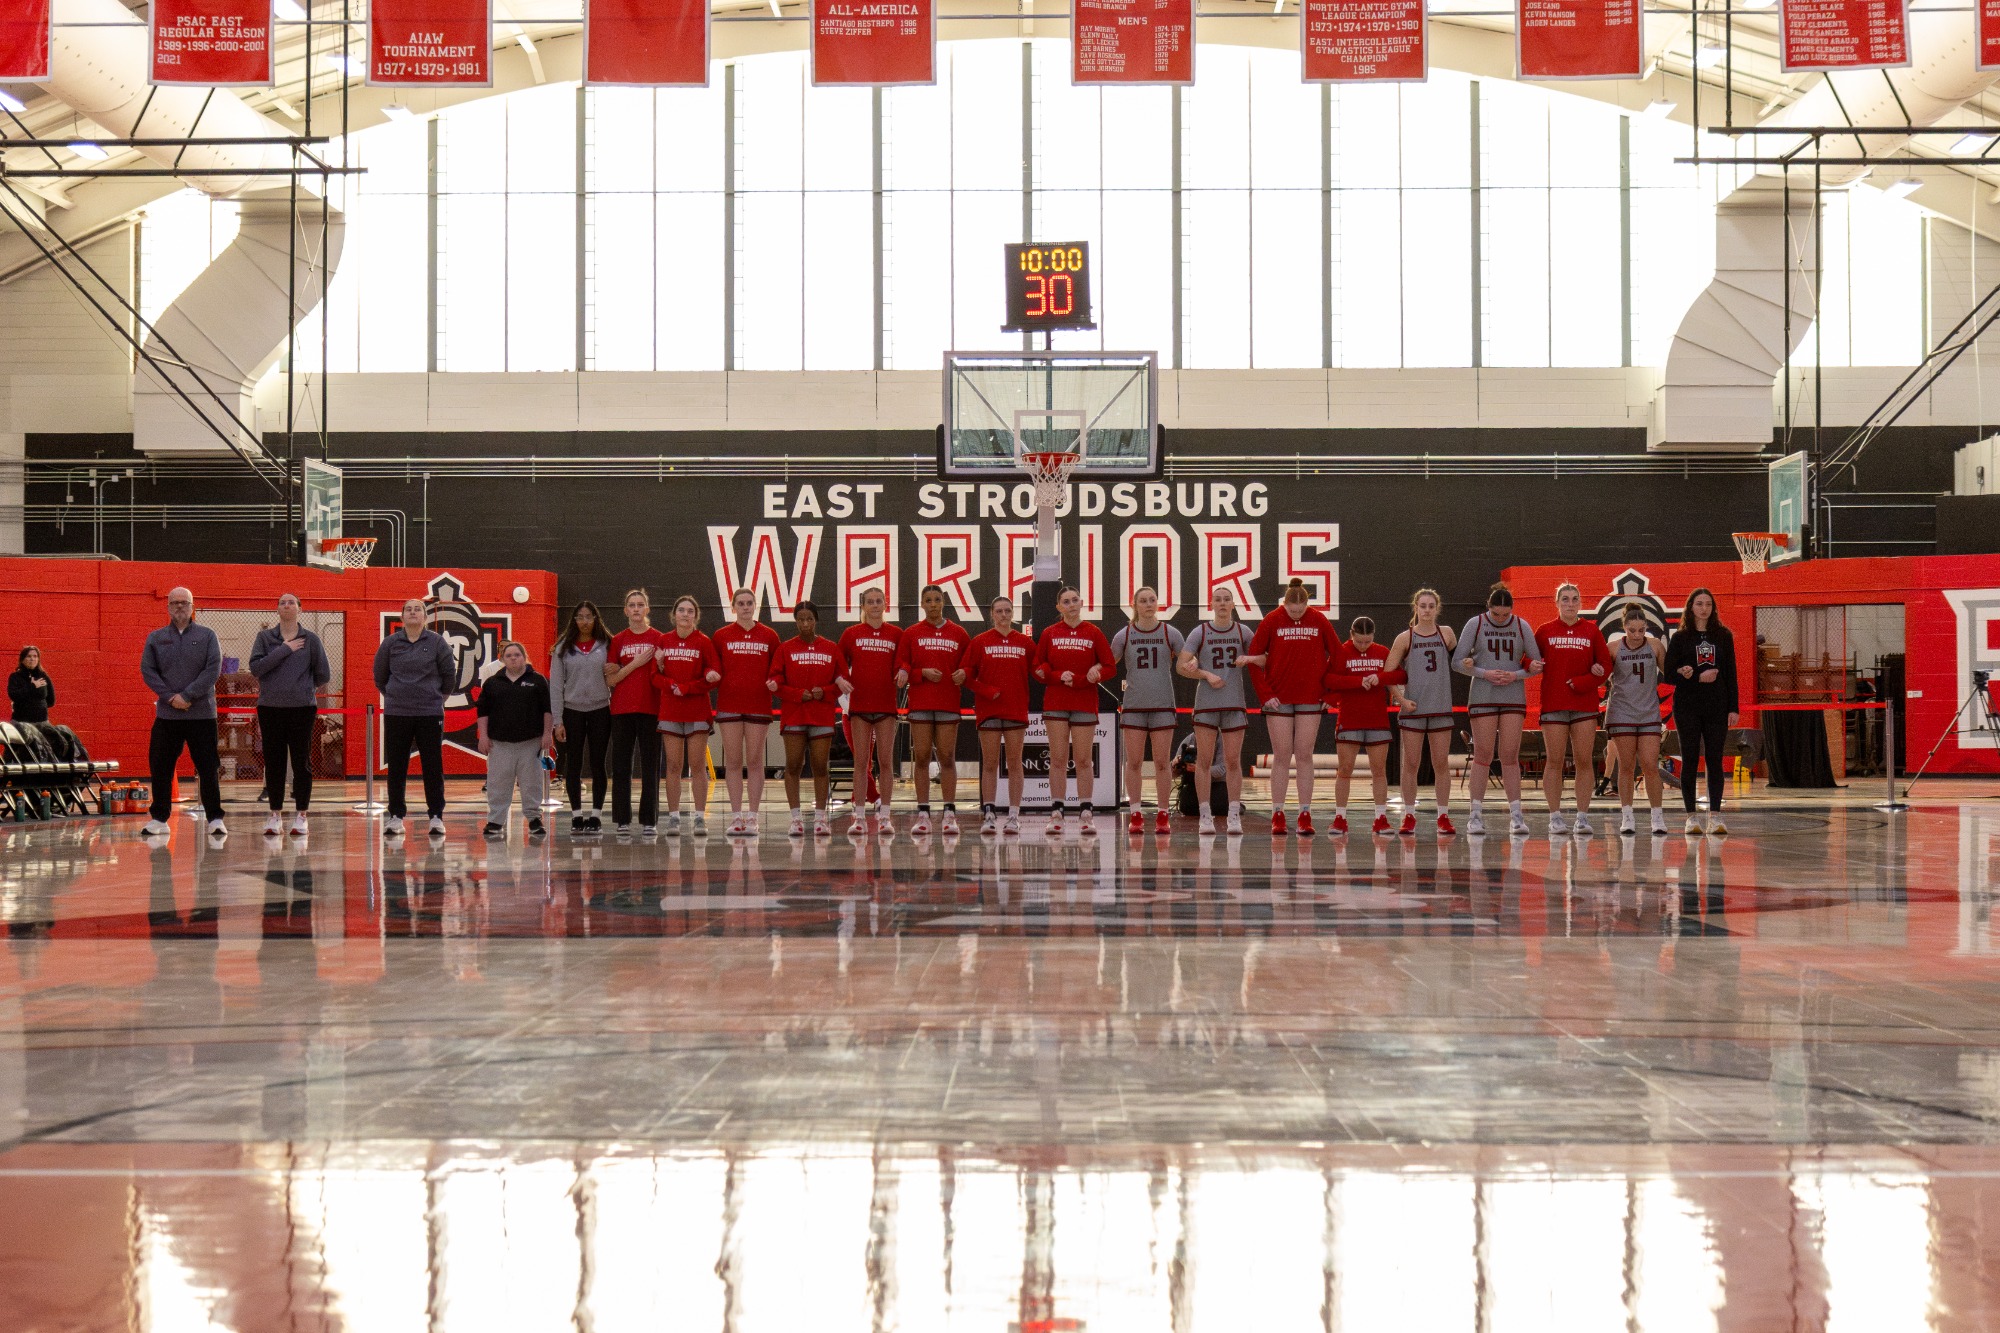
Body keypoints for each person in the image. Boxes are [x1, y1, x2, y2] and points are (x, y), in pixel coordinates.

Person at [1245, 579, 1338, 835]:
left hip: (1311, 697)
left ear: (1307, 604)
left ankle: (1305, 814)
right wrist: (1264, 695)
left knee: (1305, 754)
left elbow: (1339, 657)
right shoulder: (1271, 620)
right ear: (1284, 604)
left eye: (1300, 610)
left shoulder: (1318, 620)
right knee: (1282, 755)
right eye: (1292, 610)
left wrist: (1332, 693)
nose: (1296, 614)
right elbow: (1253, 659)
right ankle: (1277, 813)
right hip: (1279, 697)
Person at [1455, 583, 1543, 837]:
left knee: (1510, 755)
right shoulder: (1476, 624)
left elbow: (1537, 664)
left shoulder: (1521, 625)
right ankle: (1475, 815)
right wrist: (1483, 672)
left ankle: (1516, 816)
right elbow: (1457, 662)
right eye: (1497, 614)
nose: (1501, 619)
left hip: (1513, 695)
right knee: (1483, 753)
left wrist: (1514, 676)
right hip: (1483, 694)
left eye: (1506, 614)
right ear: (1488, 608)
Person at [139, 586, 225, 839]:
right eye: (174, 603)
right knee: (161, 767)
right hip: (168, 716)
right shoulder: (155, 638)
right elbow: (148, 671)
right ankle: (159, 819)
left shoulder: (208, 636)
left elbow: (213, 669)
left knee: (208, 767)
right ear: (167, 607)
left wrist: (187, 696)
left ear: (192, 606)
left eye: (184, 602)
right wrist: (169, 698)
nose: (179, 607)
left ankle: (215, 819)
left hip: (202, 716)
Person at [247, 593, 331, 837]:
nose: (286, 605)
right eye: (282, 602)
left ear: (300, 609)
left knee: (301, 761)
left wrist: (303, 689)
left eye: (291, 602)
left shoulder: (311, 639)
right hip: (270, 708)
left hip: (302, 708)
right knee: (274, 762)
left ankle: (302, 815)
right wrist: (284, 649)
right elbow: (257, 668)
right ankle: (275, 815)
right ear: (277, 609)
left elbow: (323, 674)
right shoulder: (265, 638)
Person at [1536, 583, 1615, 838]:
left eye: (1574, 599)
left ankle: (1582, 818)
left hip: (1583, 706)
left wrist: (1584, 682)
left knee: (1584, 761)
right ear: (1557, 603)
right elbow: (1528, 659)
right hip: (1554, 705)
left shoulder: (1591, 632)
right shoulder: (1544, 631)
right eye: (1565, 599)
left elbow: (1605, 666)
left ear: (1580, 603)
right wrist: (1529, 664)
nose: (1570, 603)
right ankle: (1555, 817)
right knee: (1555, 761)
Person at [1034, 587, 1116, 835]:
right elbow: (1037, 667)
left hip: (1084, 701)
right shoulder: (1049, 633)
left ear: (1081, 603)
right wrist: (1058, 675)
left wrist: (1094, 674)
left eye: (1074, 600)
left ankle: (1086, 811)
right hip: (1056, 702)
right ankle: (1057, 811)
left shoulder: (1093, 632)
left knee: (1082, 760)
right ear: (1059, 607)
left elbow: (1110, 666)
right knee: (1058, 759)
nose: (1071, 604)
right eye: (1065, 601)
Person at [373, 597, 456, 838]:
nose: (412, 612)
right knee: (397, 766)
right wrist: (396, 696)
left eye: (417, 609)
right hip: (397, 712)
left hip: (429, 713)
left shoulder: (437, 643)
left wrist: (436, 698)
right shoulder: (390, 643)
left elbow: (448, 675)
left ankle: (436, 817)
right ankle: (396, 816)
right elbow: (380, 676)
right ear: (401, 616)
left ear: (425, 616)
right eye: (408, 609)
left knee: (432, 765)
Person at [768, 600, 850, 838]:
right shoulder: (785, 649)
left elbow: (842, 681)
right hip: (794, 714)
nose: (805, 623)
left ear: (816, 620)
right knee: (793, 765)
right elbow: (775, 682)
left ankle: (821, 818)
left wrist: (824, 692)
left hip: (821, 716)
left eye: (809, 619)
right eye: (800, 619)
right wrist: (796, 694)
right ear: (795, 621)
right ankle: (795, 819)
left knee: (820, 766)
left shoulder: (830, 648)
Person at [895, 585, 971, 836]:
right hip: (921, 704)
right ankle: (923, 812)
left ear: (943, 602)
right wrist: (921, 673)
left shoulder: (958, 633)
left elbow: (969, 666)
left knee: (947, 757)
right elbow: (902, 667)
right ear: (922, 604)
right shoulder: (911, 633)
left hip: (948, 703)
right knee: (923, 757)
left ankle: (950, 812)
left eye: (937, 599)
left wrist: (964, 673)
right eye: (928, 600)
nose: (933, 604)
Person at [1178, 586, 1253, 835]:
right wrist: (1204, 673)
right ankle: (1205, 815)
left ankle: (1233, 815)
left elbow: (1263, 657)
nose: (1222, 603)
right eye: (1218, 599)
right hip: (1207, 702)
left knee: (1232, 761)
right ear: (1211, 604)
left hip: (1234, 702)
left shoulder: (1243, 631)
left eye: (1226, 599)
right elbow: (1181, 666)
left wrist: (1250, 659)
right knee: (1204, 760)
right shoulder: (1200, 631)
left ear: (1233, 604)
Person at [1382, 588, 1458, 837]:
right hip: (1413, 710)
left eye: (1431, 606)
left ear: (1437, 608)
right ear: (1416, 607)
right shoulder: (1405, 638)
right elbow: (1387, 674)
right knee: (1411, 764)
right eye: (1422, 605)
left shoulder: (1446, 634)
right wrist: (1401, 700)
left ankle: (1443, 816)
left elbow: (1461, 662)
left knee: (1441, 764)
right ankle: (1408, 815)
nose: (1427, 610)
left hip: (1440, 709)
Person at [1665, 586, 1740, 836]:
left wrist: (1734, 707)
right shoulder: (1680, 638)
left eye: (1708, 603)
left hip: (1717, 706)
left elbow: (1730, 673)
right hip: (1687, 706)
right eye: (1699, 603)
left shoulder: (1723, 635)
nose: (1704, 608)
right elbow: (1669, 673)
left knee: (1715, 759)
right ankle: (1691, 817)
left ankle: (1716, 816)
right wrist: (1690, 674)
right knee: (1690, 759)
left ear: (1713, 607)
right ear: (1691, 607)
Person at [1111, 587, 1185, 837]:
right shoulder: (1124, 634)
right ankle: (1135, 814)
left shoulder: (1170, 632)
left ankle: (1163, 814)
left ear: (1158, 603)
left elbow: (1188, 661)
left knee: (1162, 763)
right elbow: (1108, 664)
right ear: (1135, 605)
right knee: (1133, 763)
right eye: (1143, 601)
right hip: (1134, 705)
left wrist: (1199, 667)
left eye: (1152, 599)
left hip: (1163, 704)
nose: (1149, 604)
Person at [1325, 616, 1405, 836]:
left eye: (1367, 641)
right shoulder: (1341, 652)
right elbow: (1329, 680)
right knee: (1345, 770)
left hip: (1376, 719)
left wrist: (1380, 677)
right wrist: (1358, 681)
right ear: (1351, 635)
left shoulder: (1382, 652)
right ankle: (1340, 818)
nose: (1363, 645)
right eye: (1359, 641)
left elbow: (1401, 675)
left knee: (1379, 771)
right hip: (1349, 719)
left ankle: (1381, 818)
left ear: (1373, 637)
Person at [713, 588, 781, 837]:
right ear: (733, 607)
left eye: (749, 603)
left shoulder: (769, 636)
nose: (745, 607)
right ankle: (735, 817)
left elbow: (778, 668)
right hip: (729, 705)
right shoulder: (721, 636)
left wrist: (775, 680)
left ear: (755, 606)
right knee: (732, 761)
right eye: (740, 603)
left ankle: (753, 817)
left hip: (758, 706)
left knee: (754, 761)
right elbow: (712, 666)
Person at [966, 595, 1034, 836]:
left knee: (1015, 763)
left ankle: (1014, 815)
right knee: (990, 764)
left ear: (1012, 613)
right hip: (989, 711)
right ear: (992, 614)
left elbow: (1039, 669)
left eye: (1008, 610)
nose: (1004, 615)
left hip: (1015, 710)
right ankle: (989, 813)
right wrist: (986, 690)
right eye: (999, 611)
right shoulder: (979, 642)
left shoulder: (1024, 643)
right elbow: (966, 675)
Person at [654, 593, 721, 836]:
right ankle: (673, 818)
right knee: (673, 765)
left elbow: (713, 675)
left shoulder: (703, 642)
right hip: (671, 710)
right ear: (674, 615)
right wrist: (671, 684)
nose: (685, 614)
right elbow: (654, 676)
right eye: (681, 610)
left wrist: (690, 687)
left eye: (690, 611)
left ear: (696, 615)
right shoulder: (663, 640)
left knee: (697, 765)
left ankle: (700, 818)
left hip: (696, 711)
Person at [838, 587, 903, 832]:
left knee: (885, 762)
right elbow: (838, 661)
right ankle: (859, 817)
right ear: (863, 606)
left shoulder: (896, 633)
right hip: (859, 707)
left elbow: (903, 661)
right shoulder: (851, 633)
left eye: (879, 601)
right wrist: (841, 679)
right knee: (861, 763)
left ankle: (885, 815)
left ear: (885, 604)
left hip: (886, 706)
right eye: (870, 602)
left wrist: (903, 670)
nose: (875, 605)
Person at [605, 589, 668, 836]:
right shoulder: (618, 640)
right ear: (625, 610)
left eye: (640, 604)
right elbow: (612, 680)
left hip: (651, 709)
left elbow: (663, 674)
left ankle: (649, 820)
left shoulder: (659, 638)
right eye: (631, 605)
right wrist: (636, 663)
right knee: (621, 766)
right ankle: (622, 820)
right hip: (621, 709)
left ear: (647, 609)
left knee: (650, 766)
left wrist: (659, 664)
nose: (636, 609)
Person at [476, 640, 553, 839]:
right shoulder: (492, 683)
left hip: (530, 742)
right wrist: (483, 736)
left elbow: (547, 710)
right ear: (502, 659)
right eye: (508, 655)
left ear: (524, 657)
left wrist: (547, 735)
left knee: (531, 783)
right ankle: (495, 820)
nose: (513, 658)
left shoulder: (538, 680)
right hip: (499, 743)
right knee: (498, 783)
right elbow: (483, 713)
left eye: (517, 654)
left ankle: (534, 819)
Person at [1605, 604, 1670, 837]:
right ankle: (1627, 815)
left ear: (1646, 628)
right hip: (1621, 711)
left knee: (1651, 765)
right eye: (1632, 630)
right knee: (1626, 766)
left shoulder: (1655, 646)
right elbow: (1599, 675)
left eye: (1641, 630)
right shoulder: (1613, 648)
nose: (1636, 635)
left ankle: (1657, 816)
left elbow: (1670, 673)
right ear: (1624, 628)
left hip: (1649, 712)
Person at [549, 600, 611, 834]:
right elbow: (555, 686)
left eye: (589, 617)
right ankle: (576, 815)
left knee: (598, 764)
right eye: (580, 617)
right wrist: (558, 721)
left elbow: (616, 674)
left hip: (600, 711)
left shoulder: (607, 644)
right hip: (571, 712)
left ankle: (595, 815)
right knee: (573, 765)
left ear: (596, 619)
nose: (585, 621)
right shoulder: (563, 648)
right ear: (574, 620)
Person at [9, 646, 53, 723]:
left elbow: (51, 701)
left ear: (38, 659)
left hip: (42, 722)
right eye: (29, 656)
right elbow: (13, 695)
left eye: (35, 656)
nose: (32, 659)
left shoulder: (43, 676)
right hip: (20, 722)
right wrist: (33, 687)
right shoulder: (15, 676)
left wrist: (38, 707)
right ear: (22, 659)